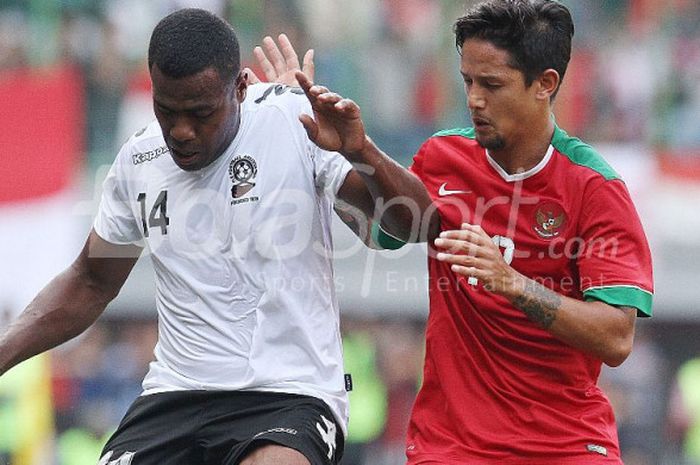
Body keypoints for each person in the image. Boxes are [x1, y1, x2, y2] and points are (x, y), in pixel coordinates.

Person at [0, 8, 378, 465]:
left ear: (239, 87)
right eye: (167, 110)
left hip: (288, 396)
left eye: (201, 113)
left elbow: (391, 227)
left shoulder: (294, 122)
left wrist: (360, 151)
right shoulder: (138, 161)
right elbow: (91, 281)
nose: (181, 130)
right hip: (176, 395)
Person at [288, 0, 654, 463]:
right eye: (468, 81)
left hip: (565, 445)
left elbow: (616, 338)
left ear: (546, 84)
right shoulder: (443, 157)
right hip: (452, 446)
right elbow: (385, 227)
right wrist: (338, 147)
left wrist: (514, 284)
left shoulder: (594, 188)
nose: (475, 99)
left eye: (492, 84)